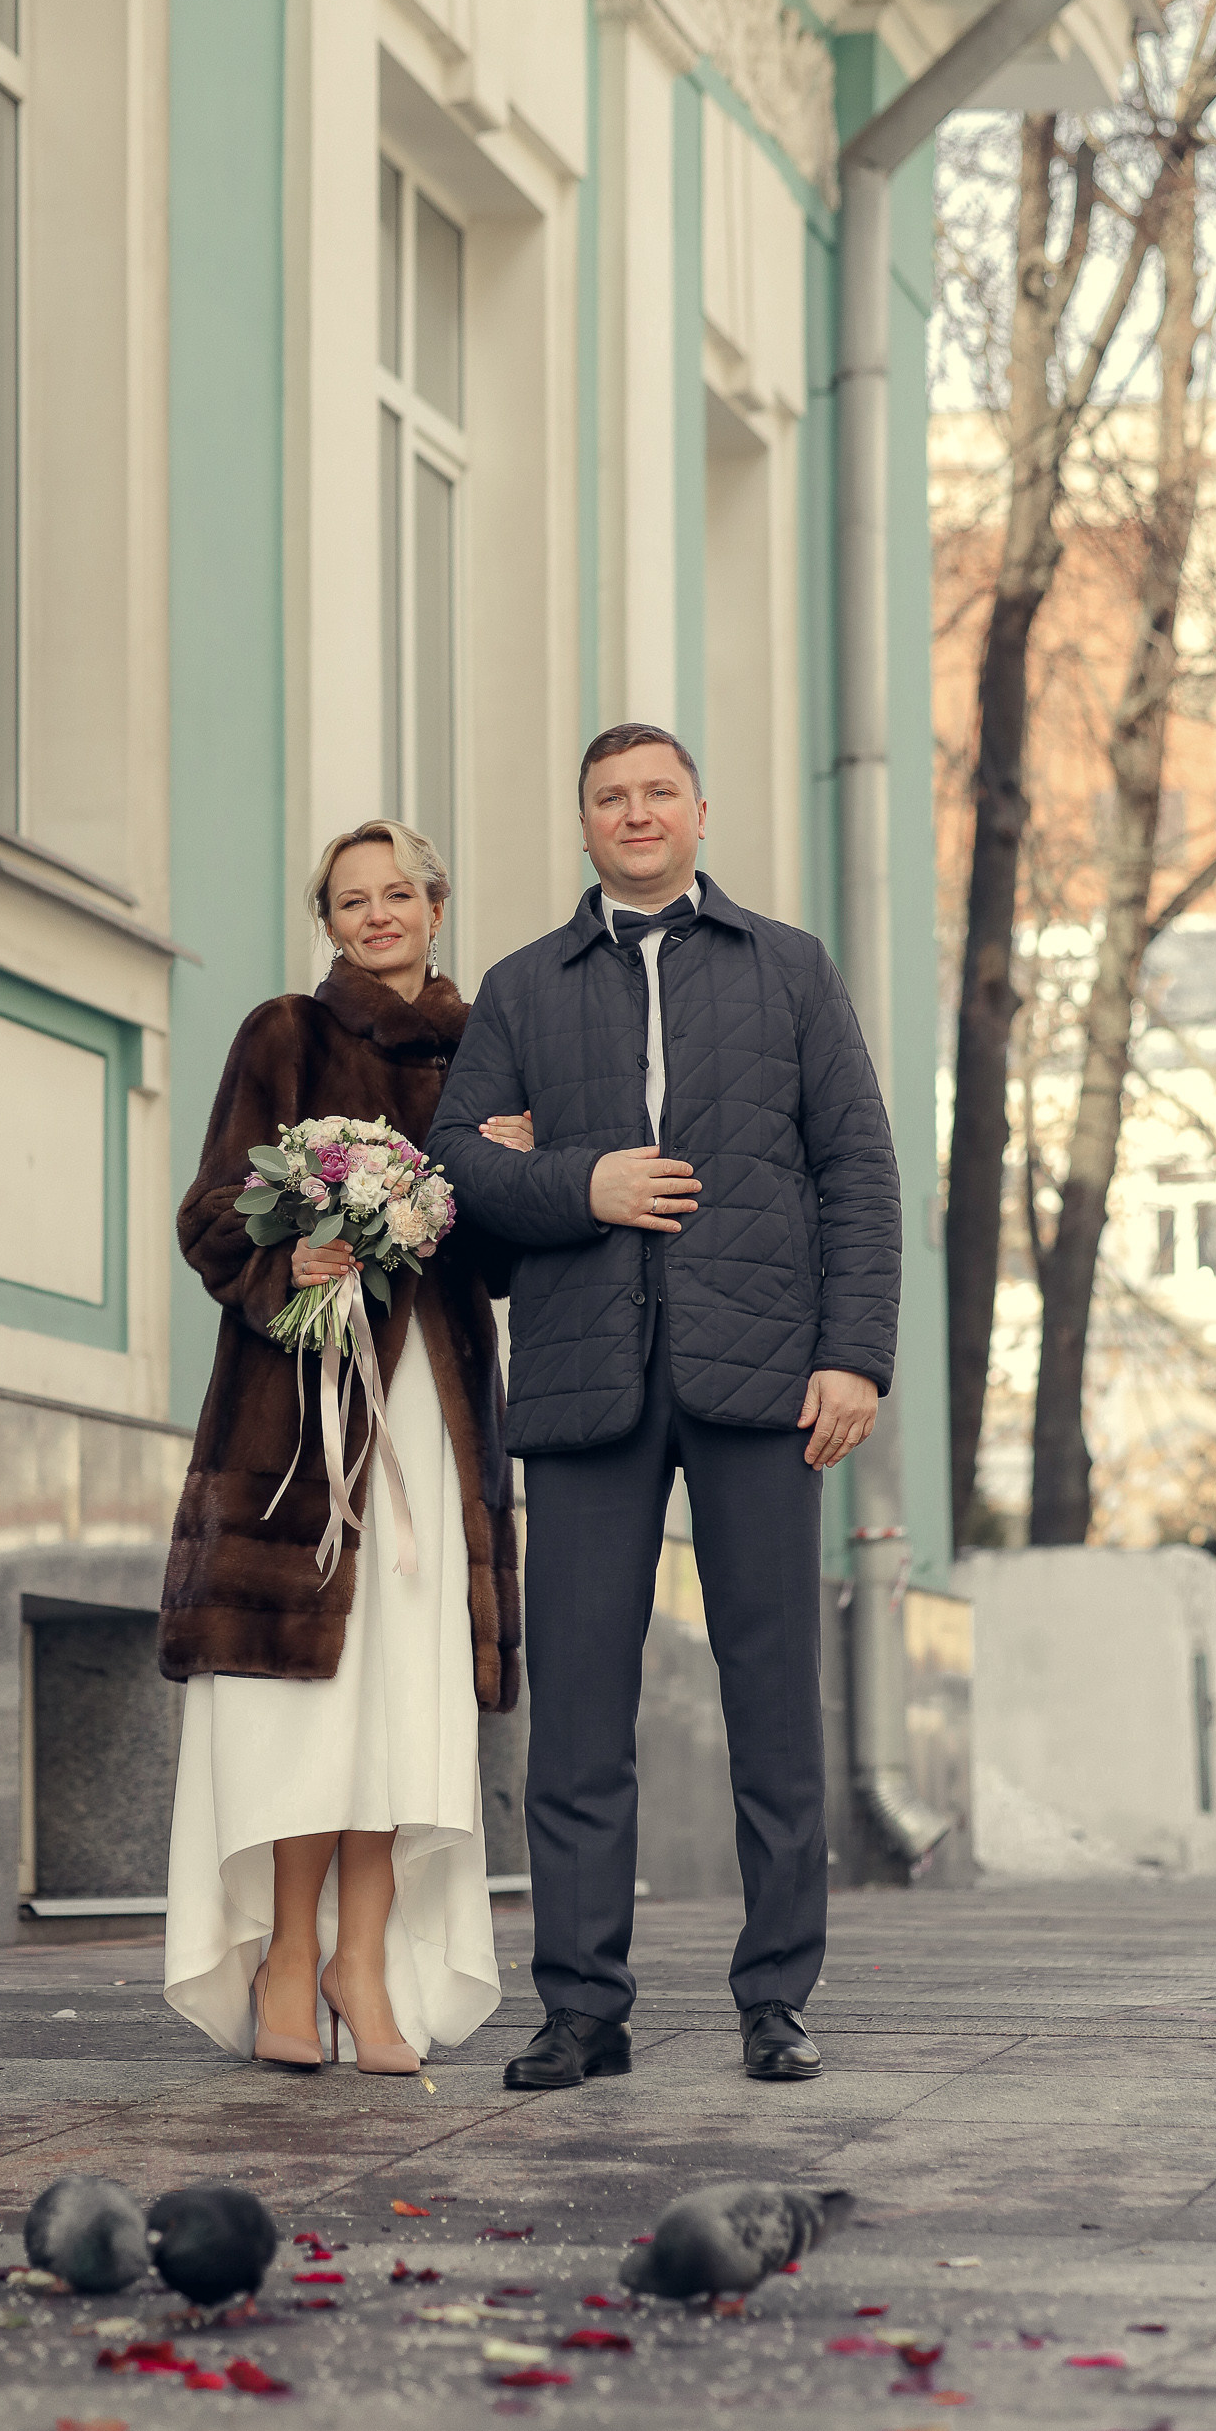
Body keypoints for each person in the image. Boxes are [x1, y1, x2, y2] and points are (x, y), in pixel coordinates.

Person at [428, 723, 901, 2091]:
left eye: (656, 794)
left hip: (764, 1380)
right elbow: (454, 1167)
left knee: (775, 1701)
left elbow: (857, 1169)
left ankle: (776, 2001)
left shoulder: (790, 970)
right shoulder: (523, 989)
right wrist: (582, 1187)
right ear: (582, 822)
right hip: (586, 1380)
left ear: (700, 809)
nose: (635, 815)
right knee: (576, 1711)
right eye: (608, 798)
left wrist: (854, 1356)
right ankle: (582, 2007)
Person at [159, 820, 529, 2073]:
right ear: (326, 921)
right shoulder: (283, 1032)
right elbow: (211, 1211)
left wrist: (503, 1184)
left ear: (436, 904)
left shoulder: (491, 1046)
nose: (377, 916)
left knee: (400, 1699)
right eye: (350, 900)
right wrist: (290, 1259)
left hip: (431, 1407)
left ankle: (360, 1964)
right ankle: (281, 1955)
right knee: (302, 1707)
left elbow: (502, 1259)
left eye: (398, 894)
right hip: (295, 1418)